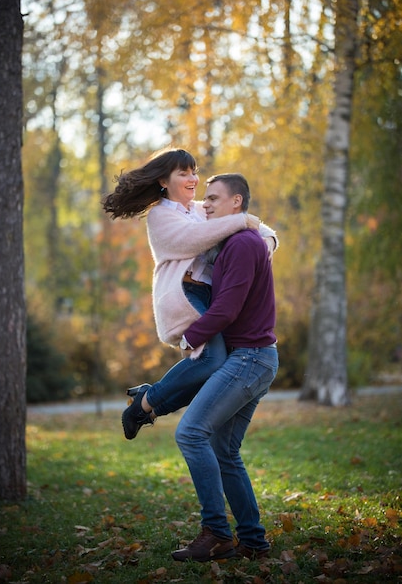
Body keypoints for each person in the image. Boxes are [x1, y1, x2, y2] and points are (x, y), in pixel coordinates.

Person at [102, 148, 278, 439]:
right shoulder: (160, 216)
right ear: (163, 181)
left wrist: (266, 243)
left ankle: (150, 407)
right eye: (183, 173)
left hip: (206, 295)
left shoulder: (199, 209)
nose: (193, 178)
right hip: (184, 293)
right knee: (211, 361)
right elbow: (194, 239)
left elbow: (262, 230)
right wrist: (243, 221)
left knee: (212, 370)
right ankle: (143, 404)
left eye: (194, 171)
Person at [170, 173, 278, 563]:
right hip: (252, 357)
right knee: (222, 449)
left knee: (192, 433)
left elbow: (226, 309)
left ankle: (216, 532)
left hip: (250, 358)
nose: (207, 205)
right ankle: (252, 540)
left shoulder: (242, 244)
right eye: (206, 199)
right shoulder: (235, 242)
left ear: (237, 203)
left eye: (214, 198)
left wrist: (189, 336)